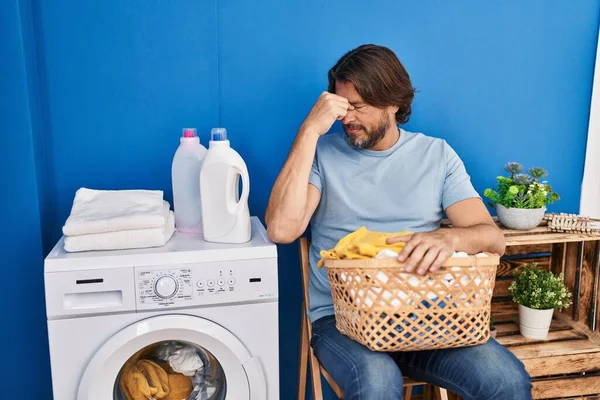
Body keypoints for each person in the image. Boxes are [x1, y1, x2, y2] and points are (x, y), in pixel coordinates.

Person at [265, 44, 532, 400]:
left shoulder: (436, 155)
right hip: (343, 321)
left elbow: (491, 238)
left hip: (430, 320)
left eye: (357, 107)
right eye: (341, 107)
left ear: (393, 102)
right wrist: (309, 131)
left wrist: (448, 239)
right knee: (377, 383)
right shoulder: (323, 154)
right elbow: (282, 230)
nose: (346, 118)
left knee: (506, 381)